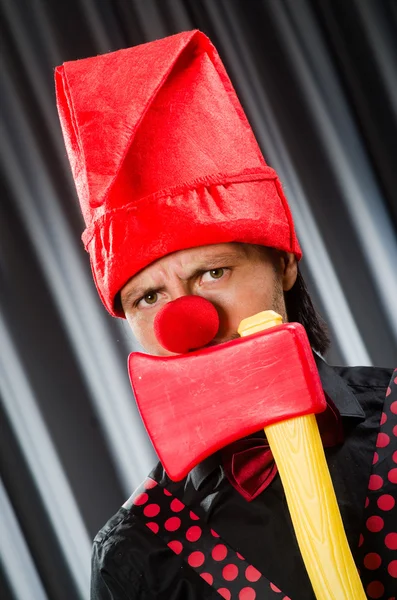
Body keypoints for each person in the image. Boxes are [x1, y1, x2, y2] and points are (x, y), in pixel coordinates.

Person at [55, 30, 396, 600]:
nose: (189, 320)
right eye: (149, 298)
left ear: (285, 265)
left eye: (213, 272)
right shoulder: (137, 559)